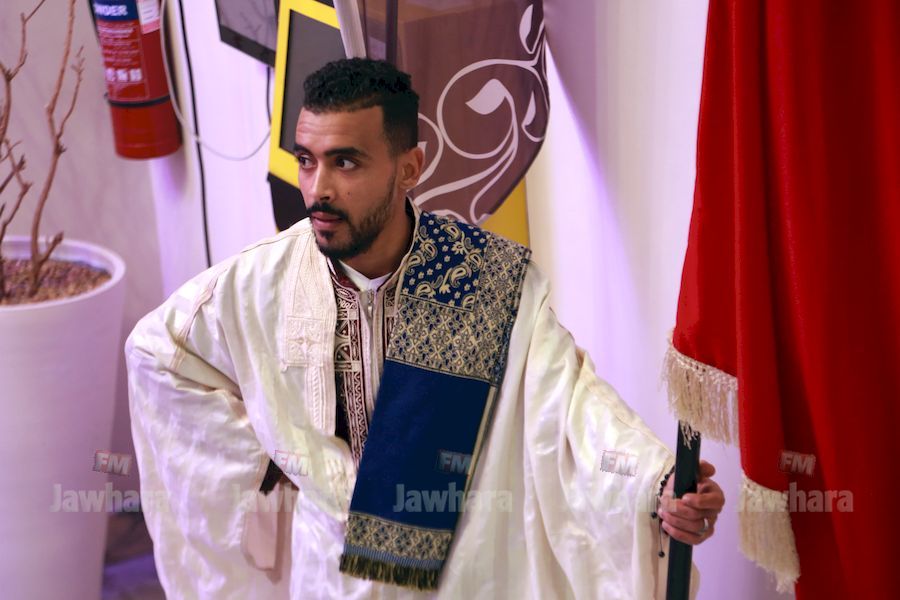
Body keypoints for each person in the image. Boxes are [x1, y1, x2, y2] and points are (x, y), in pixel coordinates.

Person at [126, 58, 725, 599]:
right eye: (306, 160)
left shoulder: (480, 281)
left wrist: (656, 483)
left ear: (409, 167)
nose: (318, 189)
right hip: (327, 574)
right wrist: (274, 468)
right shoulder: (262, 282)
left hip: (460, 571)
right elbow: (158, 355)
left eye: (345, 162)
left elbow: (571, 409)